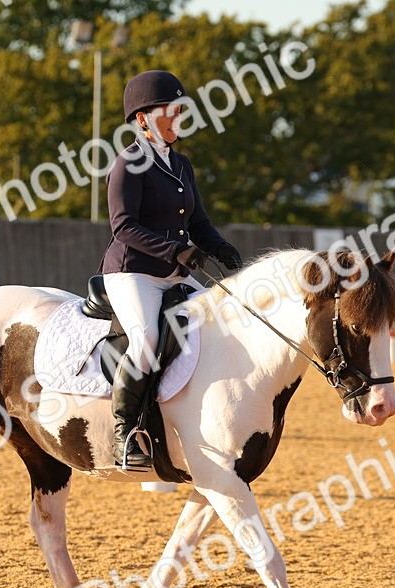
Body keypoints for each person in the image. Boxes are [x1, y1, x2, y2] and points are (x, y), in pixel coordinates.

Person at [99, 70, 243, 470]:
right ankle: (124, 433)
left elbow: (198, 223)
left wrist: (222, 249)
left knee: (223, 321)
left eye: (181, 110)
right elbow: (123, 226)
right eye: (172, 110)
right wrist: (175, 250)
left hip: (174, 271)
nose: (179, 117)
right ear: (143, 118)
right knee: (146, 338)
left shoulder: (181, 165)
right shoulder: (129, 163)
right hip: (134, 273)